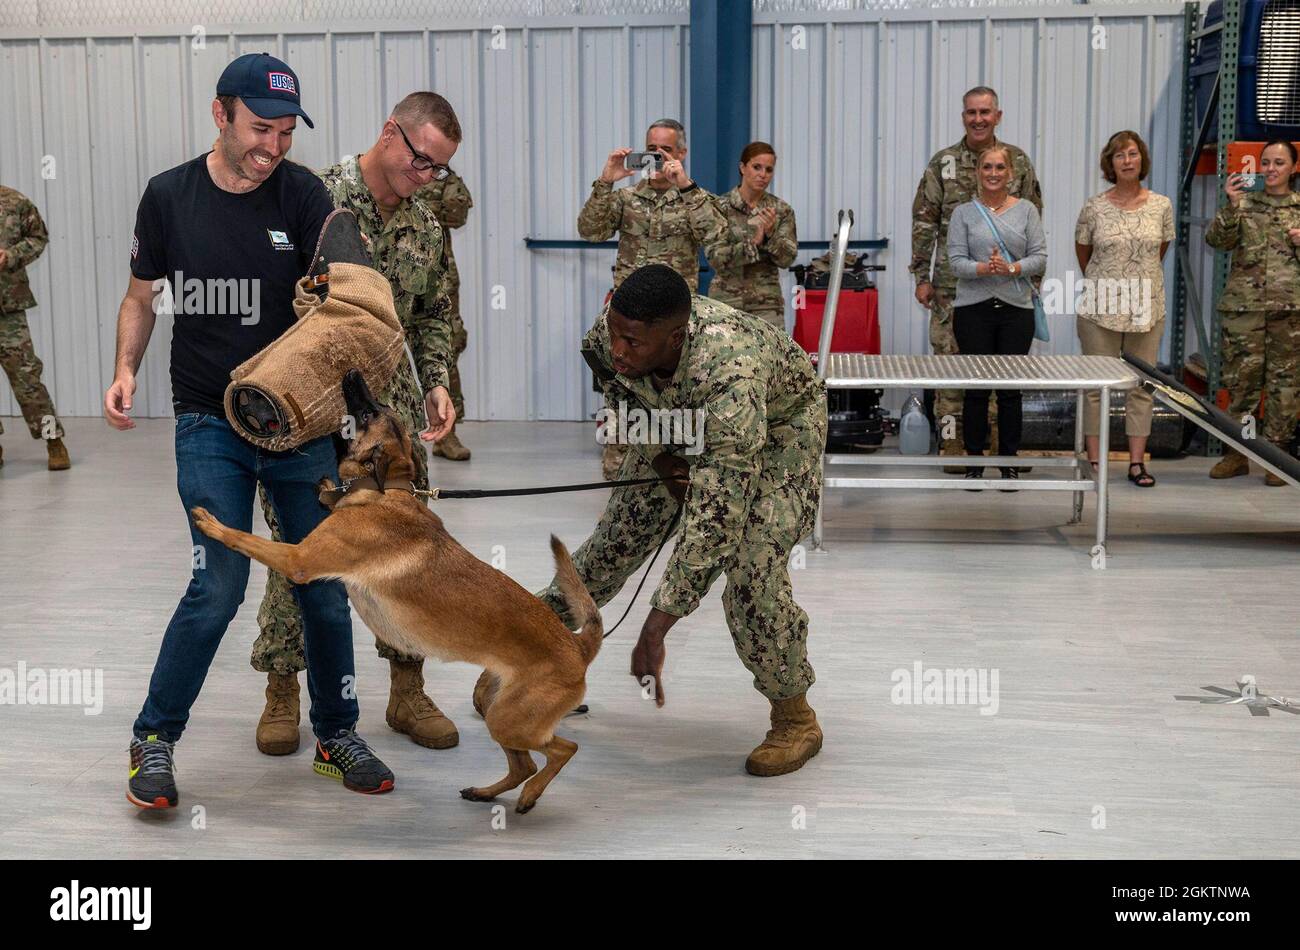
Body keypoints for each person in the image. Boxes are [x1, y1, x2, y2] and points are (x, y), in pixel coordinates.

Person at [106, 53, 398, 808]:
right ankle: (154, 740)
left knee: (326, 587)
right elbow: (141, 296)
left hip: (299, 427)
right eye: (259, 128)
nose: (272, 145)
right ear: (221, 114)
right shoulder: (168, 197)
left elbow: (355, 302)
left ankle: (337, 736)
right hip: (210, 417)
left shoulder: (303, 197)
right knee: (219, 585)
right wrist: (125, 368)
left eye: (285, 132)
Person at [490, 263, 828, 777]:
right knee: (609, 551)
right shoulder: (612, 336)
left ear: (674, 338)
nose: (618, 350)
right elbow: (621, 392)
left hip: (778, 433)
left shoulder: (729, 369)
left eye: (632, 343)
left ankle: (794, 716)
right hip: (676, 421)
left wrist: (656, 626)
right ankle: (518, 665)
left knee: (750, 573)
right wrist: (658, 454)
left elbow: (716, 517)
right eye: (615, 335)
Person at [251, 92, 463, 757]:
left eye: (441, 169)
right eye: (422, 160)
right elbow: (264, 303)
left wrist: (436, 382)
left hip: (390, 421)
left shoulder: (427, 225)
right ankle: (284, 688)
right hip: (310, 413)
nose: (427, 177)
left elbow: (433, 315)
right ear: (389, 134)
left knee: (403, 551)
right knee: (303, 545)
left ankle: (407, 690)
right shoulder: (312, 201)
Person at [578, 119, 757, 479]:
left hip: (675, 328)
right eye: (652, 148)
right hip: (629, 323)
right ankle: (621, 475)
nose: (657, 156)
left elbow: (718, 235)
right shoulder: (627, 199)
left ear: (681, 153)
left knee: (679, 402)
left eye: (666, 150)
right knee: (624, 395)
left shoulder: (693, 199)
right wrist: (606, 180)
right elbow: (590, 230)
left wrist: (686, 186)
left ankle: (677, 472)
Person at [911, 86, 1042, 471]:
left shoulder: (1016, 159)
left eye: (986, 112)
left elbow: (1036, 220)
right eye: (971, 112)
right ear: (963, 115)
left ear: (997, 115)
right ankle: (955, 452)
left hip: (1009, 287)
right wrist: (921, 274)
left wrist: (1033, 278)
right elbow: (924, 220)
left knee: (1005, 376)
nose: (978, 118)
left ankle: (1004, 455)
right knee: (954, 375)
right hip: (953, 291)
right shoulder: (943, 162)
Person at [1074, 130, 1174, 487]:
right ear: (1110, 164)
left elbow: (1158, 251)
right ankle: (1096, 463)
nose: (1127, 161)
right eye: (1119, 156)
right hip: (1099, 308)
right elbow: (1084, 252)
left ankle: (1136, 464)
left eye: (1132, 154)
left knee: (1142, 387)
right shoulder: (1094, 206)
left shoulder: (1161, 205)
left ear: (1142, 160)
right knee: (1094, 387)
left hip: (1146, 308)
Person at [947, 145, 1047, 490]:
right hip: (972, 310)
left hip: (1015, 311)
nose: (993, 172)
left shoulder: (1027, 211)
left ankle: (1008, 463)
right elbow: (955, 261)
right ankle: (974, 463)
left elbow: (1040, 257)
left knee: (1009, 391)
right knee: (975, 390)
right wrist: (982, 268)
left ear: (1010, 173)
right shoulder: (963, 213)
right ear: (978, 172)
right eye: (987, 166)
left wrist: (1012, 268)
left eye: (999, 167)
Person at [1205, 139, 1300, 486]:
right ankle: (1238, 454)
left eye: (1279, 163)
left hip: (1290, 313)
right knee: (1241, 384)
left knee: (1285, 387)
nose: (1271, 169)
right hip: (1244, 310)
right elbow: (1217, 241)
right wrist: (1230, 206)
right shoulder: (1243, 204)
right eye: (1266, 162)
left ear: (1293, 167)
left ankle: (1278, 460)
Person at [0, 185, 69, 470]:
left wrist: (10, 255)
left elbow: (38, 237)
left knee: (27, 379)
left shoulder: (14, 201)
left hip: (8, 309)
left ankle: (54, 440)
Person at [708, 141, 798, 328]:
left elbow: (787, 259)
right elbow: (714, 256)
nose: (762, 175)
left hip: (766, 304)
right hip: (726, 302)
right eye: (756, 167)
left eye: (769, 170)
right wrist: (753, 244)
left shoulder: (781, 210)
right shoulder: (720, 207)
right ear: (742, 167)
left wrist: (771, 236)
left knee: (769, 356)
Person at [417, 168, 474, 460]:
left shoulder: (446, 178)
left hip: (439, 276)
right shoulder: (388, 173)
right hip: (388, 271)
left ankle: (446, 432)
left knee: (446, 349)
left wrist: (415, 202)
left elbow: (457, 214)